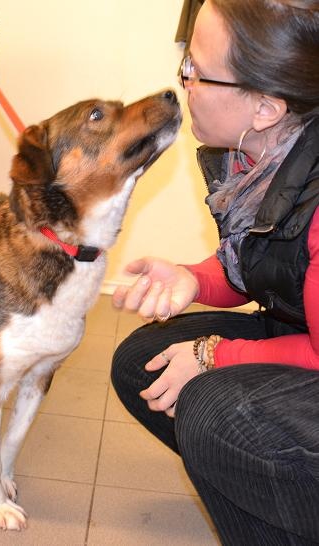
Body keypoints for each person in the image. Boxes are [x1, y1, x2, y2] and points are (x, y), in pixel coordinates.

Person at [111, 0, 319, 544]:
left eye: (197, 71)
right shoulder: (259, 157)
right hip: (305, 332)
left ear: (265, 108)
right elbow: (264, 265)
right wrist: (193, 279)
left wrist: (213, 355)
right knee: (144, 361)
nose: (183, 82)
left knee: (212, 412)